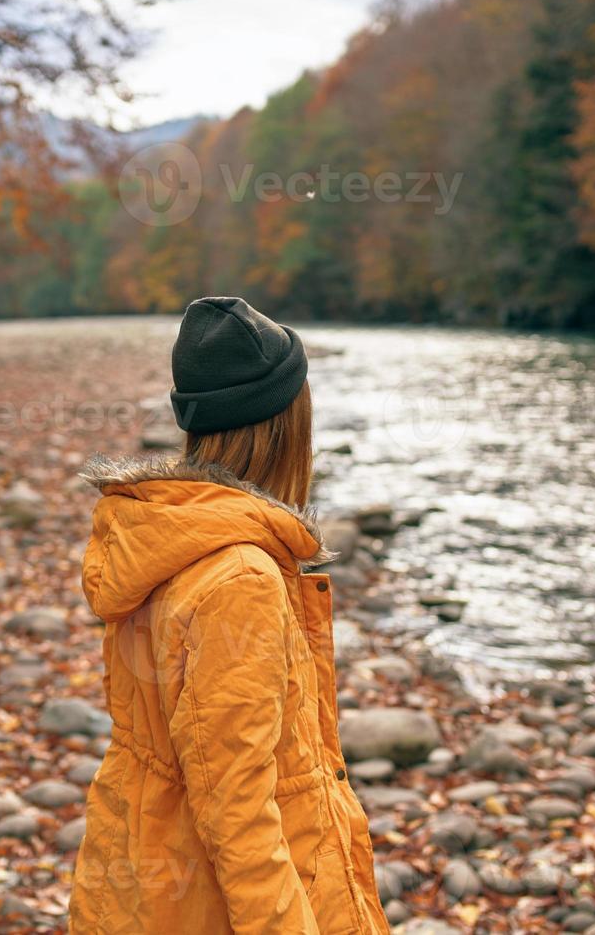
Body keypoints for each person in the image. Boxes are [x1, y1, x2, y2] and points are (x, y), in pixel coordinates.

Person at [69, 297, 390, 934]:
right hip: (218, 903)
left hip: (142, 867)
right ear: (285, 423)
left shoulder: (161, 532)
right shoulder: (240, 577)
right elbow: (236, 809)